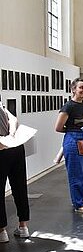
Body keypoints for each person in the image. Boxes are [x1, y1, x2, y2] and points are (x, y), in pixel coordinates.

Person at [54, 78, 83, 213]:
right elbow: (58, 127)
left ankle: (81, 198)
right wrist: (73, 131)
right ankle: (78, 204)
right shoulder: (68, 106)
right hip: (72, 140)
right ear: (73, 90)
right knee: (76, 174)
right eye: (81, 87)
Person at [0, 102, 31, 242]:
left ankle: (1, 231)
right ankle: (23, 226)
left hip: (2, 148)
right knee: (20, 187)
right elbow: (14, 119)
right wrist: (11, 135)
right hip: (15, 145)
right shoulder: (1, 105)